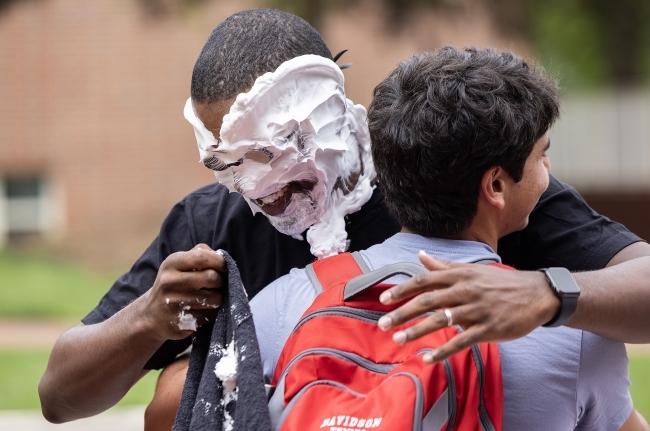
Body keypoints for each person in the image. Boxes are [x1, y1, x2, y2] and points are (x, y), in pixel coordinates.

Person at [38, 8, 650, 429]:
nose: (255, 184)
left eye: (270, 150)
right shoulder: (212, 224)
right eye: (227, 162)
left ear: (330, 112)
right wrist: (148, 318)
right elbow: (60, 397)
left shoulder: (439, 169)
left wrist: (543, 293)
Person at [250, 46, 649, 430]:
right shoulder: (574, 342)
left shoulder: (279, 308)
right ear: (495, 184)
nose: (547, 167)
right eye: (541, 154)